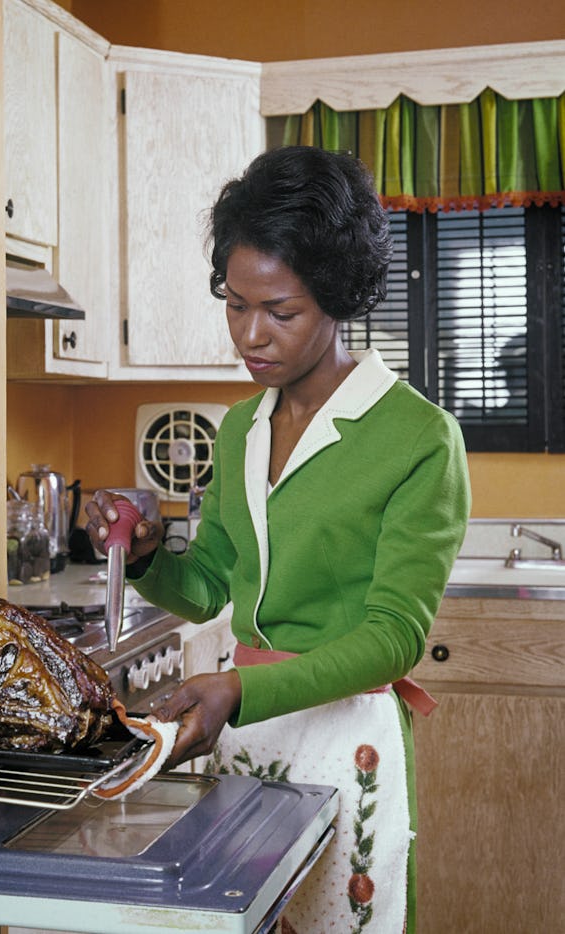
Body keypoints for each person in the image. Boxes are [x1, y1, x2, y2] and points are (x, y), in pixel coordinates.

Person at [85, 146, 471, 934]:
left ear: (336, 298)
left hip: (344, 746)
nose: (250, 336)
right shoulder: (240, 429)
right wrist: (153, 553)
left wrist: (239, 691)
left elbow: (394, 638)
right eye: (235, 305)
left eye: (281, 313)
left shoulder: (420, 438)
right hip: (249, 742)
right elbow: (212, 585)